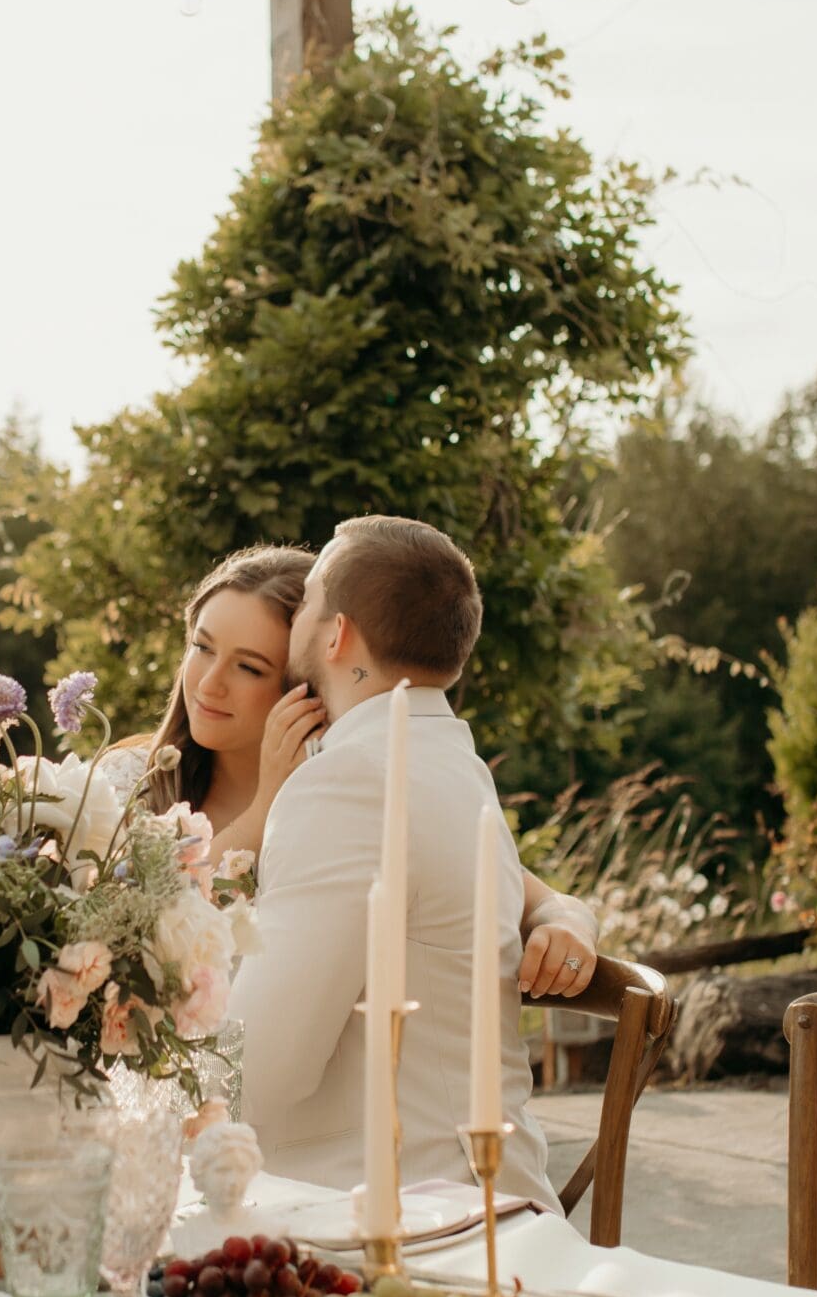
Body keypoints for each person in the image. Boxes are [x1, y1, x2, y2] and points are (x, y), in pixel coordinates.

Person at [224, 516, 582, 1210]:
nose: (298, 610)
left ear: (337, 634)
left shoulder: (348, 782)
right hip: (488, 1189)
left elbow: (258, 1070)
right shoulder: (456, 763)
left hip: (402, 1215)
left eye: (313, 594)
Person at [132, 544, 600, 1004]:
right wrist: (262, 810)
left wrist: (568, 926)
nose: (211, 682)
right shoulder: (130, 783)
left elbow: (540, 897)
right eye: (202, 647)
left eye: (249, 668)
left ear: (305, 686)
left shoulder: (345, 802)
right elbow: (135, 932)